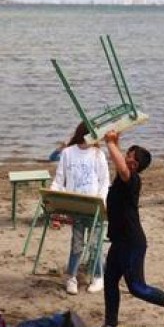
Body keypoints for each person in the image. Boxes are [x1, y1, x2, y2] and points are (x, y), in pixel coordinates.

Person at [93, 130, 164, 327]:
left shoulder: (132, 179)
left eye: (129, 155)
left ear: (134, 164)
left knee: (137, 287)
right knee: (110, 281)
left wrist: (110, 142)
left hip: (132, 243)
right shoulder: (124, 177)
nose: (125, 156)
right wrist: (115, 142)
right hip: (120, 242)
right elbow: (120, 162)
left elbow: (120, 165)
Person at [51, 122, 110, 295]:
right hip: (75, 206)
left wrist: (102, 200)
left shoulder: (98, 154)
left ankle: (99, 277)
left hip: (95, 206)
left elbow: (105, 181)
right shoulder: (68, 153)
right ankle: (72, 277)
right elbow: (59, 179)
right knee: (76, 245)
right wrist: (55, 198)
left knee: (95, 244)